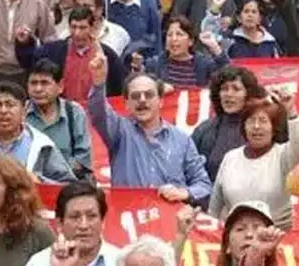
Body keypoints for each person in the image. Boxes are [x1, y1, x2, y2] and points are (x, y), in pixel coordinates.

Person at [87, 50, 212, 204]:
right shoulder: (119, 131)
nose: (142, 100)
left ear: (160, 100)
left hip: (169, 222)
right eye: (135, 96)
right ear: (126, 104)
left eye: (149, 95)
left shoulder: (182, 140)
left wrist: (183, 193)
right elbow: (97, 111)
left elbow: (204, 185)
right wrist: (99, 83)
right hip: (129, 220)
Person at [208, 93, 299, 229]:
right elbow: (215, 206)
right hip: (236, 236)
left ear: (273, 128)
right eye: (251, 121)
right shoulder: (230, 157)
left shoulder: (283, 154)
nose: (256, 126)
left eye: (263, 121)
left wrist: (291, 111)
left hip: (276, 235)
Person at [191, 67, 266, 182]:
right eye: (224, 89)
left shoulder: (261, 129)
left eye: (236, 89)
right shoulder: (204, 129)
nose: (228, 94)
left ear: (249, 94)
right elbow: (189, 169)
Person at [24, 59, 93, 182]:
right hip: (29, 184)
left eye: (44, 83)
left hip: (68, 185)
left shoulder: (74, 112)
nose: (38, 89)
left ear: (60, 86)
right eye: (33, 83)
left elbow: (84, 158)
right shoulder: (20, 113)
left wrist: (55, 174)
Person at [25, 181, 120, 266]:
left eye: (91, 216)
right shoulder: (40, 262)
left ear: (102, 221)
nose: (84, 225)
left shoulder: (120, 261)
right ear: (59, 224)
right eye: (75, 217)